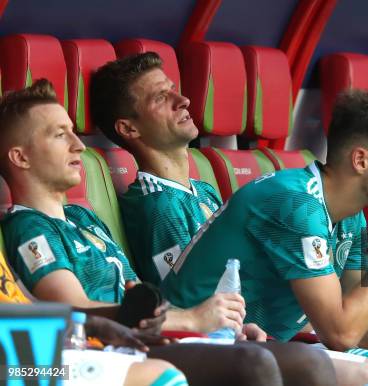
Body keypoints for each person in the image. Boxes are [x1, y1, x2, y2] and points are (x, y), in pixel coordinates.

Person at [90, 51, 368, 386]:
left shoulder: (349, 211)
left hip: (267, 338)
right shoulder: (294, 201)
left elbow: (365, 340)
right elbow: (341, 334)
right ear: (361, 160)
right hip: (208, 341)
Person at [0, 79, 347, 386]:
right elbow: (72, 307)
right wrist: (194, 320)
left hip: (152, 336)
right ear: (20, 157)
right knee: (257, 363)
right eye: (60, 135)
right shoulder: (29, 225)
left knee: (309, 361)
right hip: (109, 350)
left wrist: (223, 328)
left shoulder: (82, 216)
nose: (79, 145)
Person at [0, 247, 187, 386]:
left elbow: (29, 304)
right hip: (14, 365)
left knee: (195, 358)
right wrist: (89, 325)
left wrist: (121, 316)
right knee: (163, 376)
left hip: (51, 345)